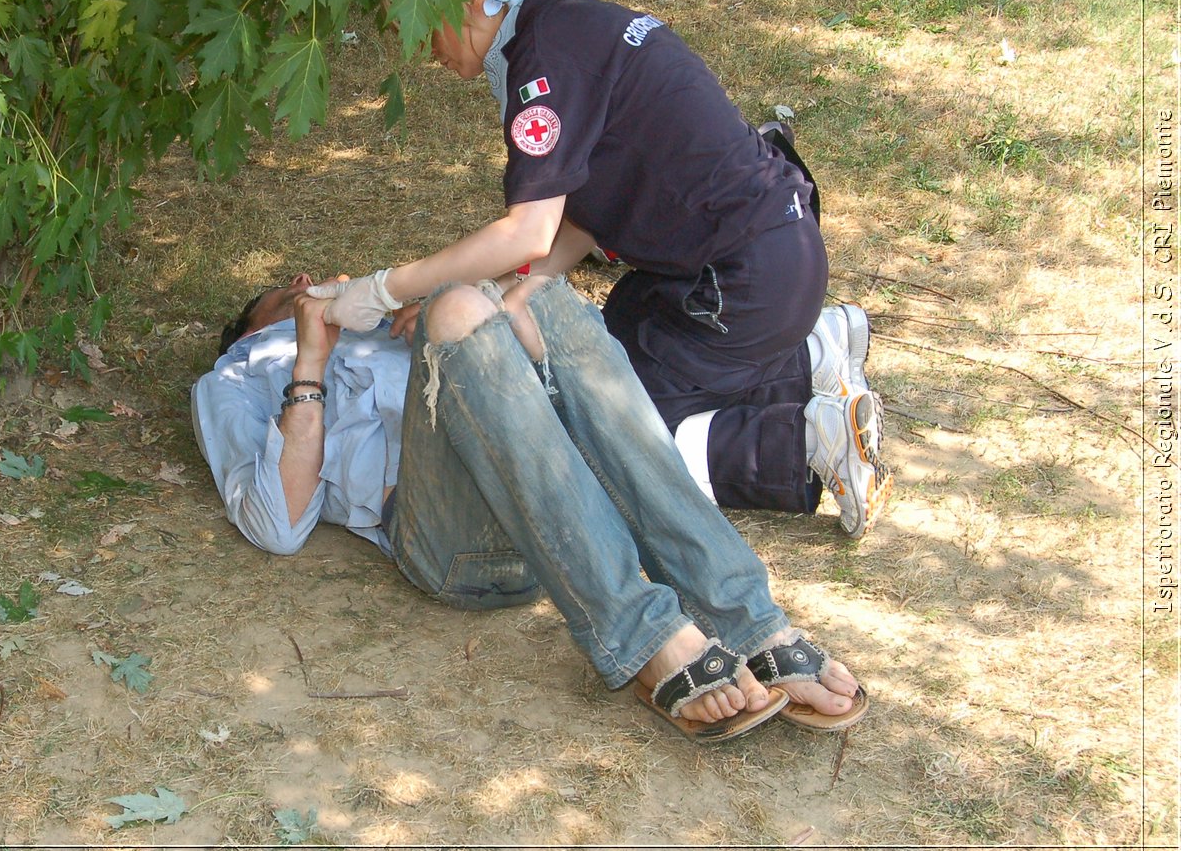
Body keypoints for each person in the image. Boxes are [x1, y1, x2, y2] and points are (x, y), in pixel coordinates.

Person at [309, 0, 892, 538]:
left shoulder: (542, 66)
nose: (417, 47)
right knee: (600, 354)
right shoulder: (561, 28)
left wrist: (382, 288)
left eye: (416, 22)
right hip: (764, 254)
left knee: (602, 444)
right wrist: (488, 299)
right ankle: (811, 348)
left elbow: (529, 232)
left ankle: (805, 441)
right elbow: (576, 225)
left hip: (739, 283)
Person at [193, 272, 868, 740]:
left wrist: (435, 311)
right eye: (291, 288)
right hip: (457, 547)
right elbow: (278, 526)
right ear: (256, 322)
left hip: (560, 516)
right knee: (460, 311)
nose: (314, 283)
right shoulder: (239, 375)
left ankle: (749, 621)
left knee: (524, 291)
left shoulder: (385, 330)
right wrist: (309, 359)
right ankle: (646, 637)